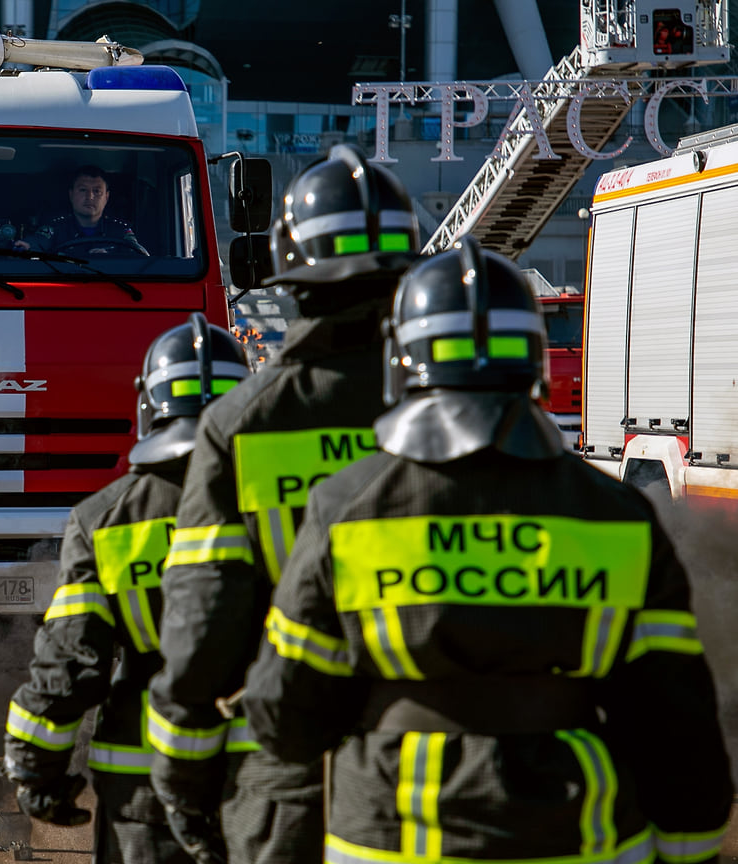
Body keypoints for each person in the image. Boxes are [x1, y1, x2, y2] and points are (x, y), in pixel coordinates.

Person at [242, 234, 734, 864]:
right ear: (536, 368)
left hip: (388, 841)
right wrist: (688, 854)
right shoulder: (617, 518)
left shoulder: (346, 510)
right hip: (577, 839)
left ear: (403, 365)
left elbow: (284, 712)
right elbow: (677, 725)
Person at [146, 144, 421, 864]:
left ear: (286, 266)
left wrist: (183, 784)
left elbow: (201, 631)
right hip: (465, 773)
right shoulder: (458, 407)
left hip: (292, 773)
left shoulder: (241, 425)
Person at [1, 313, 251, 864]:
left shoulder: (106, 520)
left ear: (146, 404)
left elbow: (72, 661)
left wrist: (37, 771)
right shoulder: (293, 502)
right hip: (266, 780)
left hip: (143, 790)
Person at [15, 165, 148, 255]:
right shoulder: (55, 229)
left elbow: (140, 257)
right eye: (83, 190)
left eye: (97, 191)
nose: (89, 197)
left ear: (106, 197)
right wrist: (25, 247)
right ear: (71, 194)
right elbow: (34, 244)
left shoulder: (120, 231)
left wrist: (110, 261)